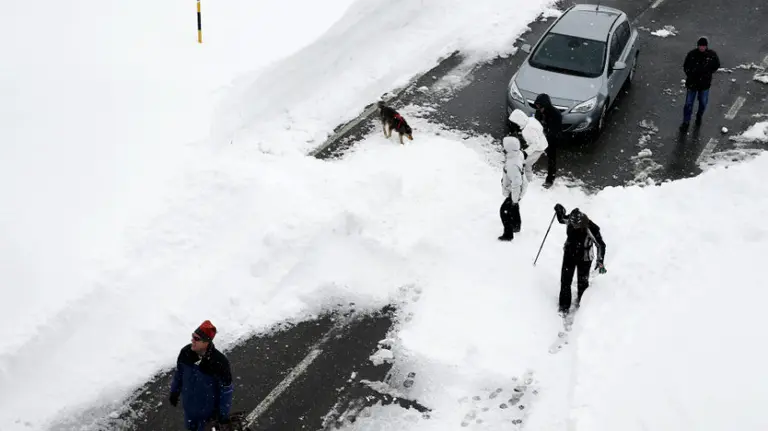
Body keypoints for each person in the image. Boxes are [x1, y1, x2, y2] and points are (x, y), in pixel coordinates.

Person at [170, 320, 234, 431]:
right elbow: (179, 374)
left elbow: (226, 391)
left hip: (208, 417)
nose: (192, 340)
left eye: (196, 339)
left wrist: (223, 415)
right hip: (189, 412)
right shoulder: (186, 353)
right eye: (192, 336)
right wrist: (174, 391)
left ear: (206, 342)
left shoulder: (219, 362)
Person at [553, 204, 607, 315]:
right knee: (565, 281)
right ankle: (564, 306)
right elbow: (561, 219)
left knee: (582, 282)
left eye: (576, 224)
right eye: (572, 223)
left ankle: (583, 304)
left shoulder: (591, 227)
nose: (573, 225)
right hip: (569, 253)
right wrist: (559, 209)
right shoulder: (571, 220)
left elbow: (600, 245)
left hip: (585, 257)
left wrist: (600, 260)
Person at [682, 37, 720, 129]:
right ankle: (686, 122)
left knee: (703, 103)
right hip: (693, 83)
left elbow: (716, 65)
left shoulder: (711, 55)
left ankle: (699, 116)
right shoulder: (692, 55)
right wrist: (691, 75)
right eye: (700, 46)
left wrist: (707, 74)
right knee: (688, 104)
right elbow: (686, 66)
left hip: (704, 84)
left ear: (706, 46)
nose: (702, 48)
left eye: (703, 46)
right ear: (698, 46)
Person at [499, 136, 528, 241]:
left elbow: (516, 184)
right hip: (518, 188)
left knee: (504, 211)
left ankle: (508, 234)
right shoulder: (517, 154)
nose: (503, 148)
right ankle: (516, 226)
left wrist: (514, 200)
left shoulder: (512, 165)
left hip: (515, 190)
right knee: (514, 209)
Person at [508, 109, 548, 185]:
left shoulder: (528, 129)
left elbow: (536, 143)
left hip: (538, 148)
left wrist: (526, 152)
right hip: (541, 143)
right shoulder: (530, 119)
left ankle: (528, 181)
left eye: (515, 123)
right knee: (525, 162)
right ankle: (525, 179)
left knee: (526, 164)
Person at [534, 94, 562, 188]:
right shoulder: (539, 113)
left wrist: (547, 135)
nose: (539, 109)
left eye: (540, 107)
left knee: (551, 159)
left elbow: (555, 131)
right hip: (541, 137)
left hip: (551, 140)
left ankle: (550, 179)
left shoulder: (556, 115)